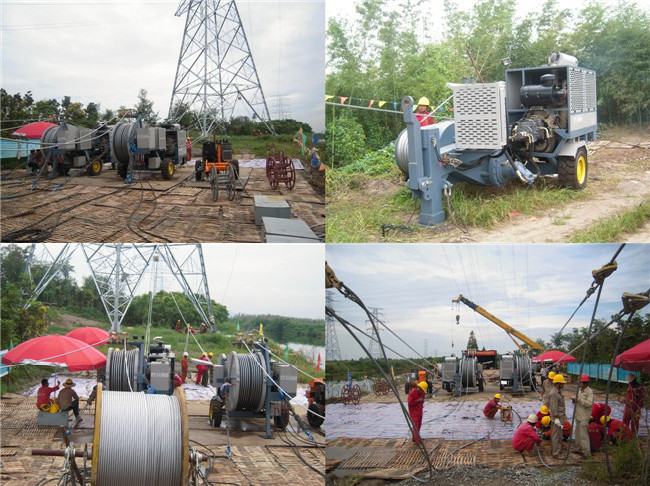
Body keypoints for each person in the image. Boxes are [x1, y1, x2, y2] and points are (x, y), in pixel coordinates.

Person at [572, 373, 594, 458]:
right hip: (578, 415)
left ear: (585, 383)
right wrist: (574, 400)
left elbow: (589, 403)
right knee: (577, 433)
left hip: (584, 416)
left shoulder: (589, 392)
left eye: (580, 383)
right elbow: (577, 399)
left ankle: (586, 453)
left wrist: (580, 400)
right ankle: (578, 448)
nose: (579, 384)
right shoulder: (580, 390)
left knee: (584, 435)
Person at [549, 373, 566, 458]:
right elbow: (553, 406)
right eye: (562, 383)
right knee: (556, 436)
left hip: (560, 416)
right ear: (558, 384)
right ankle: (556, 453)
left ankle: (558, 450)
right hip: (557, 417)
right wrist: (556, 418)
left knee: (559, 435)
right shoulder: (554, 393)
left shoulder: (558, 392)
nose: (563, 384)